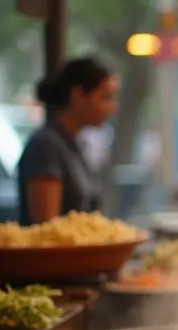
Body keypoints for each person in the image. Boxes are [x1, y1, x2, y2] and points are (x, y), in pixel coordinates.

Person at [18, 57, 117, 225]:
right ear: (78, 95)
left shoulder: (74, 144)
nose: (113, 107)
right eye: (105, 97)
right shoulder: (46, 146)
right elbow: (48, 228)